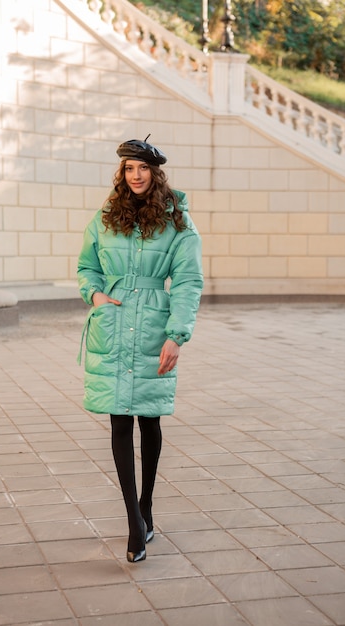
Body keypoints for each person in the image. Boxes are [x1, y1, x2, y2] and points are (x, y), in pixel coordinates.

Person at [77, 137, 203, 563]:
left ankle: (146, 505)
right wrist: (94, 296)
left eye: (143, 168)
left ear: (155, 172)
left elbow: (188, 282)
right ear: (122, 172)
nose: (135, 175)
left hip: (153, 326)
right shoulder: (105, 216)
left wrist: (177, 334)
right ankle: (134, 521)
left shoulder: (178, 222)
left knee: (149, 422)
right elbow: (87, 265)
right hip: (112, 325)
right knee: (118, 423)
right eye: (129, 168)